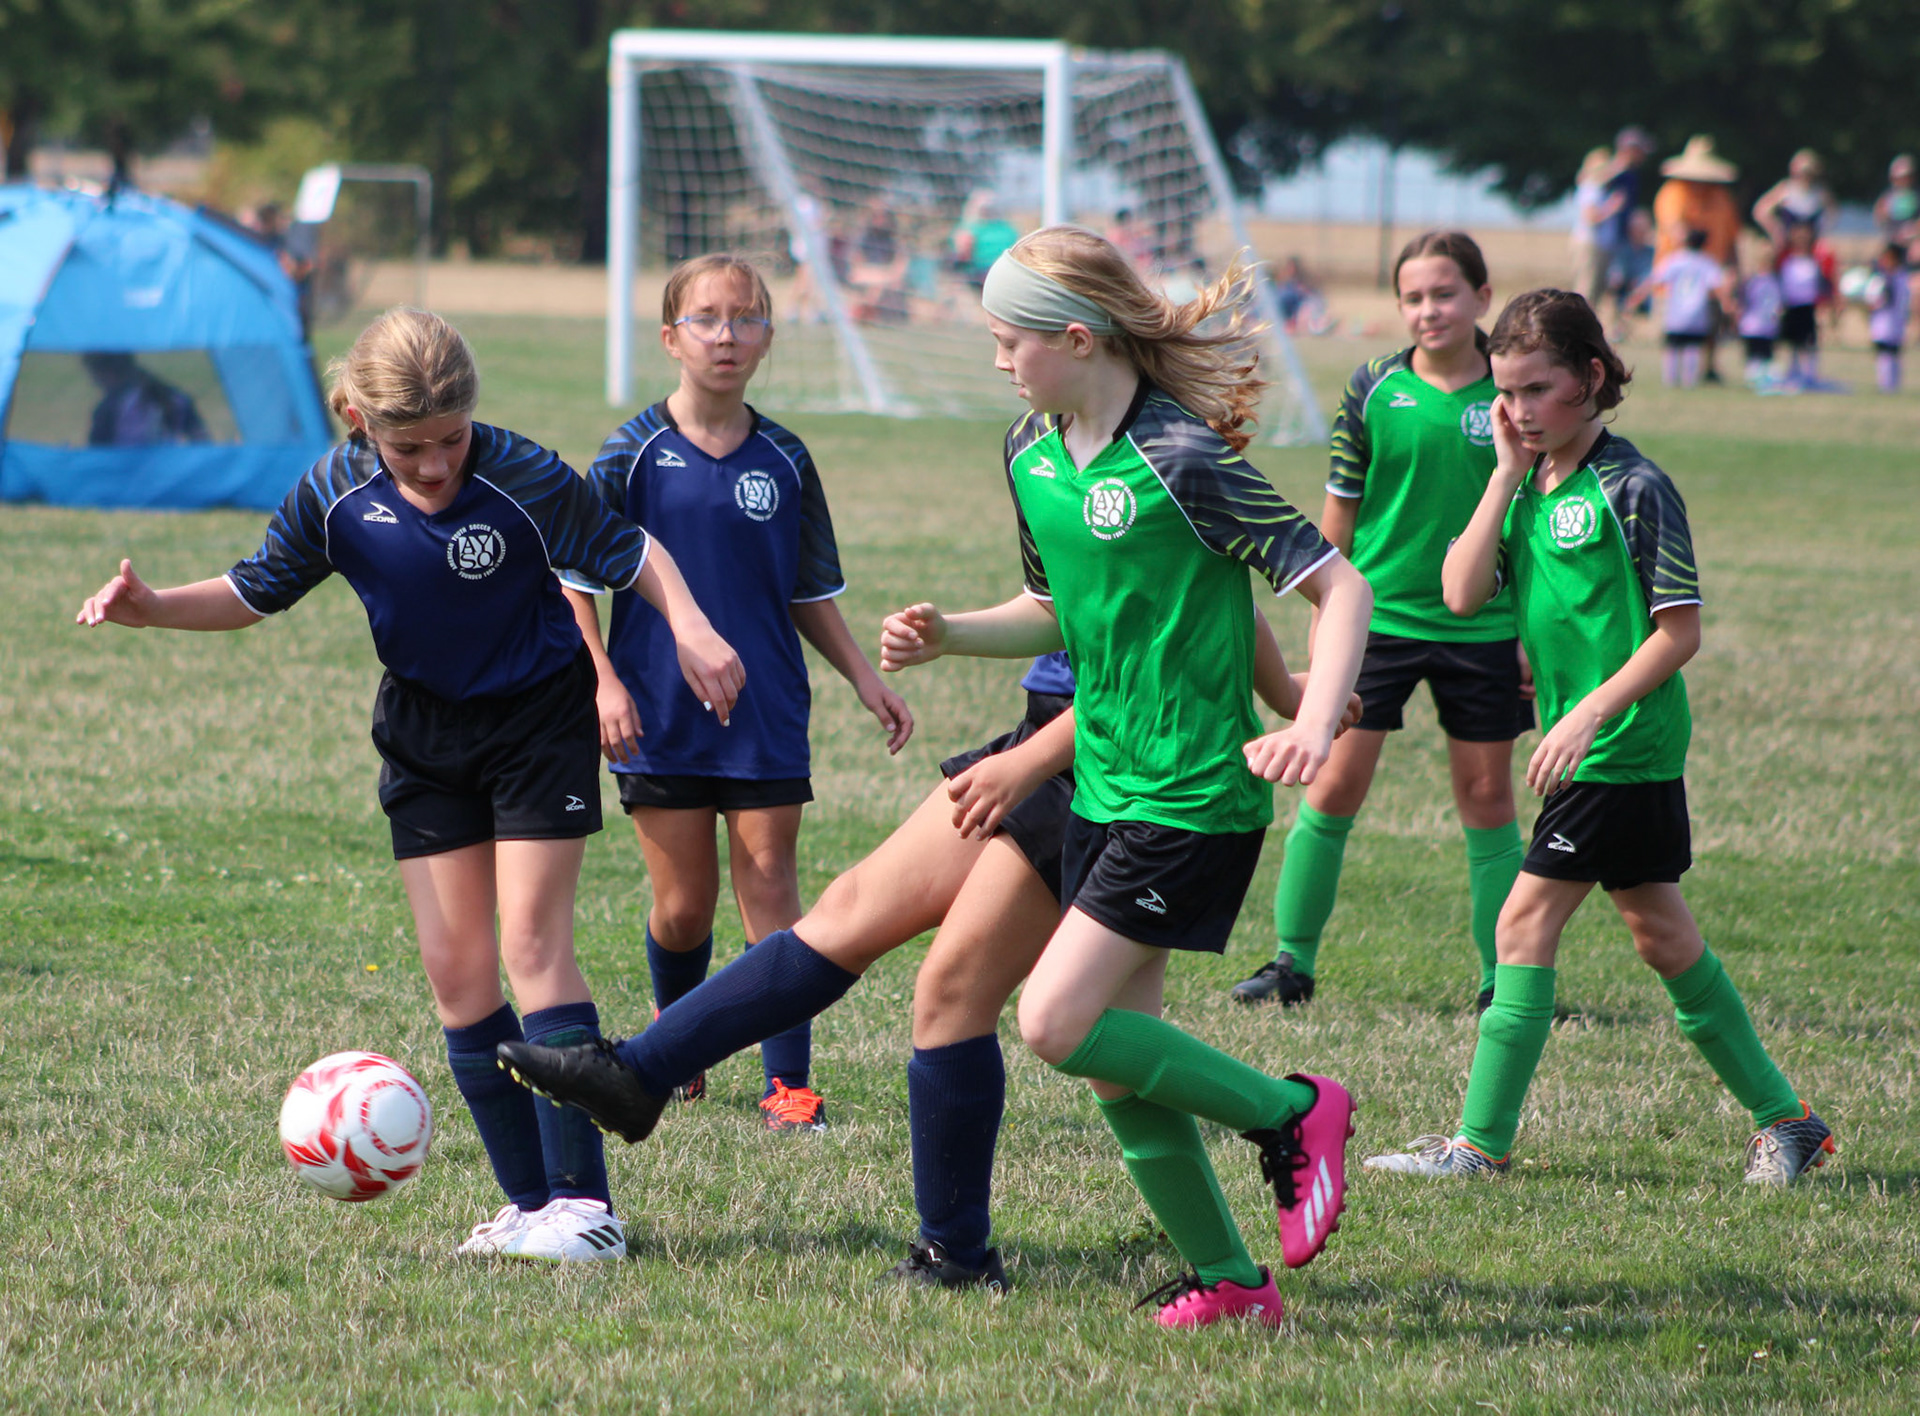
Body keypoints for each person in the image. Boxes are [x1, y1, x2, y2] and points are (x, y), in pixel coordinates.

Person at [502, 226, 1374, 1329]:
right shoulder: (1033, 449)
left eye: (1011, 341)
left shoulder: (1180, 457)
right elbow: (1062, 610)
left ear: (1077, 337)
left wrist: (1312, 719)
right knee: (1075, 1039)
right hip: (1096, 772)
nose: (998, 361)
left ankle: (1290, 1112)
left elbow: (1332, 588)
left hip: (1177, 789)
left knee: (1059, 1022)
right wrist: (953, 633)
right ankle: (1228, 1283)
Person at [76, 308, 745, 1262]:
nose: (435, 465)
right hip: (425, 736)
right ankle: (529, 1207)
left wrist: (691, 626)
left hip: (536, 724)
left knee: (532, 942)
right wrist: (153, 608)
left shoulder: (523, 475)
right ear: (359, 419)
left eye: (451, 440)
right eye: (410, 448)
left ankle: (585, 1208)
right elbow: (255, 588)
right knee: (457, 974)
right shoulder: (334, 492)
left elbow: (632, 554)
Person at [1367, 288, 1834, 1186]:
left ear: (1590, 376)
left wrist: (1585, 712)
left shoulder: (1633, 486)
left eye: (1538, 389)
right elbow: (1459, 593)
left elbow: (1678, 633)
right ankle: (1789, 1121)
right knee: (1661, 936)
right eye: (1506, 393)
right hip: (1593, 751)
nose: (1520, 410)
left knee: (1522, 922)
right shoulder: (1529, 483)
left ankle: (1478, 1147)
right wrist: (1500, 476)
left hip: (1619, 746)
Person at [564, 255, 911, 1133]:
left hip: (765, 710)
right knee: (683, 910)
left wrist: (864, 678)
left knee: (773, 892)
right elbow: (574, 577)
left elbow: (807, 589)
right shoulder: (630, 453)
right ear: (670, 336)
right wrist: (604, 681)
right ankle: (677, 1046)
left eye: (747, 318)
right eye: (708, 319)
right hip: (658, 711)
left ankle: (787, 1084)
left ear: (768, 336)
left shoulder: (786, 458)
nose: (727, 335)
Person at [1232, 231, 1529, 1014]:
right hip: (1380, 620)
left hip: (1486, 627)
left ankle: (1504, 979)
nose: (1429, 310)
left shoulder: (1512, 391)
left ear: (1482, 297)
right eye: (1413, 298)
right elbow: (1339, 516)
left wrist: (1531, 633)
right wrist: (1326, 621)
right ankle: (1292, 963)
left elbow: (1529, 522)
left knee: (1487, 797)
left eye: (1445, 294)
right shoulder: (1373, 387)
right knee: (1332, 784)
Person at [1650, 137, 1741, 383]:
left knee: (1712, 324)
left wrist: (1733, 269)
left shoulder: (1722, 197)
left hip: (1713, 274)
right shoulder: (1672, 193)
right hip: (1680, 277)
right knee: (1677, 329)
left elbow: (1731, 237)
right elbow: (1676, 230)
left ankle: (1709, 367)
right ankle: (1675, 372)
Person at [1630, 227, 1731, 388]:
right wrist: (1727, 304)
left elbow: (1655, 280)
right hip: (1697, 314)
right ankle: (1689, 381)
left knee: (1673, 348)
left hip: (1675, 314)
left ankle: (1670, 380)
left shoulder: (1674, 260)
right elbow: (1718, 286)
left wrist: (1637, 297)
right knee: (1693, 348)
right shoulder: (1707, 262)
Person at [1584, 127, 1652, 309]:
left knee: (1613, 288)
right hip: (1600, 241)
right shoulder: (1609, 174)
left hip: (1618, 242)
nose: (1643, 156)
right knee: (1594, 287)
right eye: (1640, 151)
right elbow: (1591, 207)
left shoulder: (1631, 176)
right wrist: (1611, 208)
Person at [82, 353, 210, 446]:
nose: (94, 383)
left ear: (106, 373)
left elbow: (98, 458)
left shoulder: (109, 408)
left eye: (94, 376)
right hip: (170, 473)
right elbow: (201, 440)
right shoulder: (174, 397)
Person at [1776, 221, 1829, 389]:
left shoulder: (1814, 261)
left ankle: (1809, 375)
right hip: (1791, 306)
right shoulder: (1787, 260)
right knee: (1792, 343)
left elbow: (1822, 285)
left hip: (1808, 307)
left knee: (1808, 343)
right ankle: (1793, 373)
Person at [1753, 149, 1832, 244]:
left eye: (1809, 173)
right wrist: (1776, 230)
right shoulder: (1785, 189)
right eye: (1801, 173)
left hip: (1811, 244)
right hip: (1788, 243)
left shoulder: (1820, 192)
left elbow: (1832, 212)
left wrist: (1821, 231)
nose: (1805, 177)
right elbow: (1760, 211)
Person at [948, 191, 1020, 290]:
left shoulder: (969, 228)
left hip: (983, 273)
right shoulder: (1009, 229)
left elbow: (962, 253)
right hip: (1002, 273)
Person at [1866, 241, 1912, 394]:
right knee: (1883, 352)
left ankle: (1894, 385)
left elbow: (1904, 299)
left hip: (1896, 320)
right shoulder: (1880, 277)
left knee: (1894, 352)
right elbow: (1872, 299)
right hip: (1882, 321)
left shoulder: (1901, 276)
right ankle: (1885, 384)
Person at [1734, 253, 1784, 386]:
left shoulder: (1766, 281)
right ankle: (1757, 380)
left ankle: (1762, 380)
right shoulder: (1760, 281)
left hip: (1761, 325)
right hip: (1757, 325)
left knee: (1763, 356)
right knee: (1757, 356)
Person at [1873, 155, 1918, 247]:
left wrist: (1913, 232)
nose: (1903, 180)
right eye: (1900, 178)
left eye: (1906, 177)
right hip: (1892, 238)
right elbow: (1879, 216)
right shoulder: (1887, 196)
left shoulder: (1916, 195)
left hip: (1912, 239)